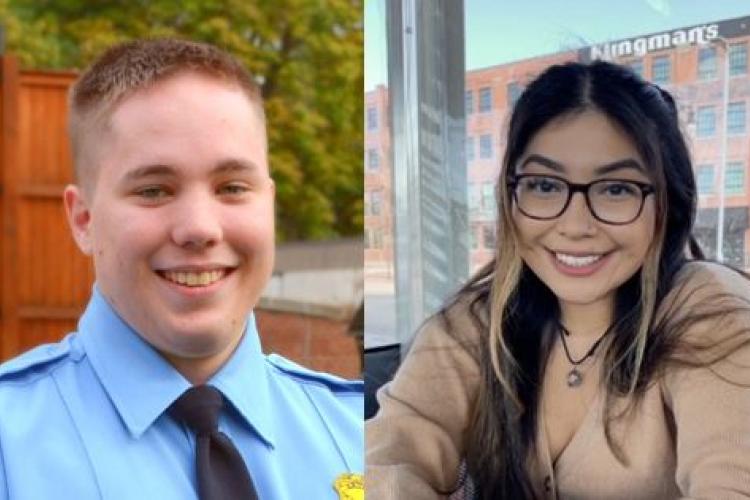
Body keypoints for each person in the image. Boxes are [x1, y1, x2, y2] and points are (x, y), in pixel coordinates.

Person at [366, 60, 750, 499]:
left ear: (667, 204)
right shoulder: (476, 322)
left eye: (617, 188)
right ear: (511, 198)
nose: (575, 224)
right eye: (545, 186)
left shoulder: (709, 310)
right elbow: (382, 461)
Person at [0, 38, 363, 500]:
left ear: (268, 202)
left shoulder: (352, 429)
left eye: (232, 187)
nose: (199, 229)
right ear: (83, 220)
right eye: (154, 191)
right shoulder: (10, 451)